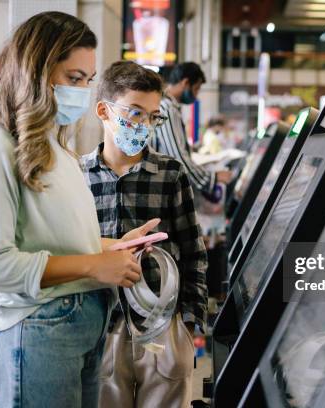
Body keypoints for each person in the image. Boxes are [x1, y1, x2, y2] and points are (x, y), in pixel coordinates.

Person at [0, 12, 158, 407]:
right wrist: (92, 265)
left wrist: (110, 248)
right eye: (73, 78)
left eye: (87, 80)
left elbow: (54, 238)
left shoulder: (55, 147)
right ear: (35, 70)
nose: (82, 91)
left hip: (77, 326)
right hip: (33, 331)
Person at [81, 60, 208, 408]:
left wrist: (189, 321)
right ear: (104, 111)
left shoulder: (169, 174)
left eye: (152, 116)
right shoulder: (78, 177)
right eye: (135, 112)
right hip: (100, 326)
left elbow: (193, 250)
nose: (144, 125)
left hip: (162, 325)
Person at [152, 62, 232, 197]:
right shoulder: (167, 109)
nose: (196, 95)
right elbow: (177, 157)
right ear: (185, 83)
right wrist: (213, 179)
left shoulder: (170, 108)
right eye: (196, 89)